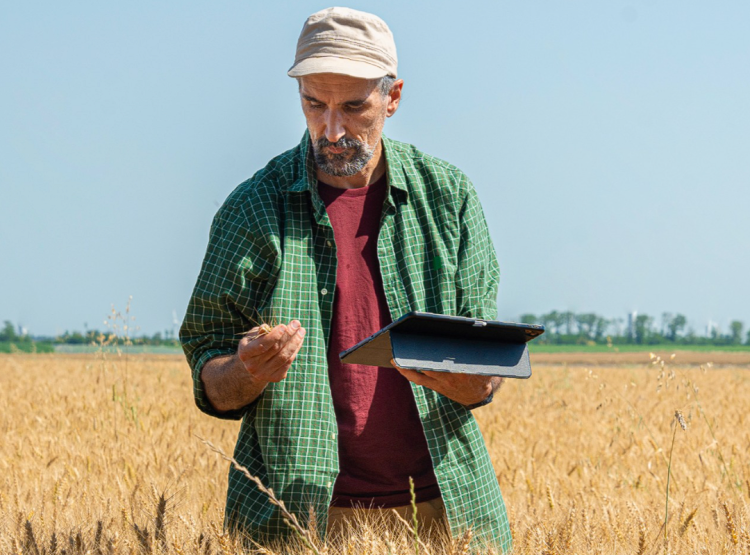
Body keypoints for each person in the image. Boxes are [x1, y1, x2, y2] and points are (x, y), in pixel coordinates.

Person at [179, 6, 512, 552]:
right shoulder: (253, 208)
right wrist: (245, 369)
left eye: (354, 106)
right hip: (296, 516)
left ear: (393, 97)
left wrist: (472, 380)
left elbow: (487, 370)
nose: (331, 128)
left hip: (445, 510)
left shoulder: (449, 198)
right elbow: (209, 375)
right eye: (315, 103)